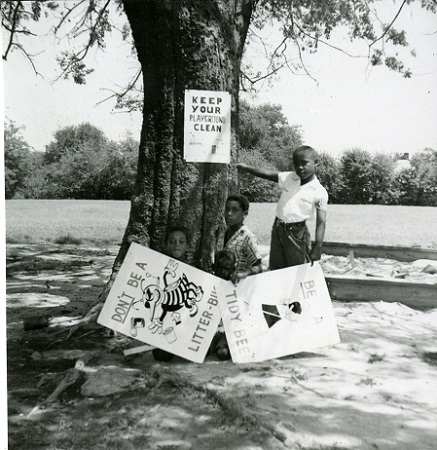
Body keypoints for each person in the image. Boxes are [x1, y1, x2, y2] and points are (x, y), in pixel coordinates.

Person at [237, 145, 328, 269]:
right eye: (296, 164)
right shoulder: (290, 178)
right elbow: (269, 174)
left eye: (304, 163)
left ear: (315, 163)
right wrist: (248, 168)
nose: (300, 167)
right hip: (278, 229)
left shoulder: (319, 191)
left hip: (297, 235)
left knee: (296, 270)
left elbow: (321, 221)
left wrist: (318, 247)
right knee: (276, 269)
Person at [152, 226, 189, 362]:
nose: (177, 245)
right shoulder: (158, 269)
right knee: (162, 356)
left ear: (187, 246)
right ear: (166, 245)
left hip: (182, 323)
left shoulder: (192, 272)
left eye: (181, 241)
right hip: (164, 323)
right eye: (172, 241)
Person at [223, 194, 263, 284]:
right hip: (222, 285)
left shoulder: (247, 237)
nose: (229, 213)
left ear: (245, 214)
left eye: (235, 210)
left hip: (238, 288)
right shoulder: (223, 233)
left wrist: (244, 274)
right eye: (227, 209)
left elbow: (259, 267)